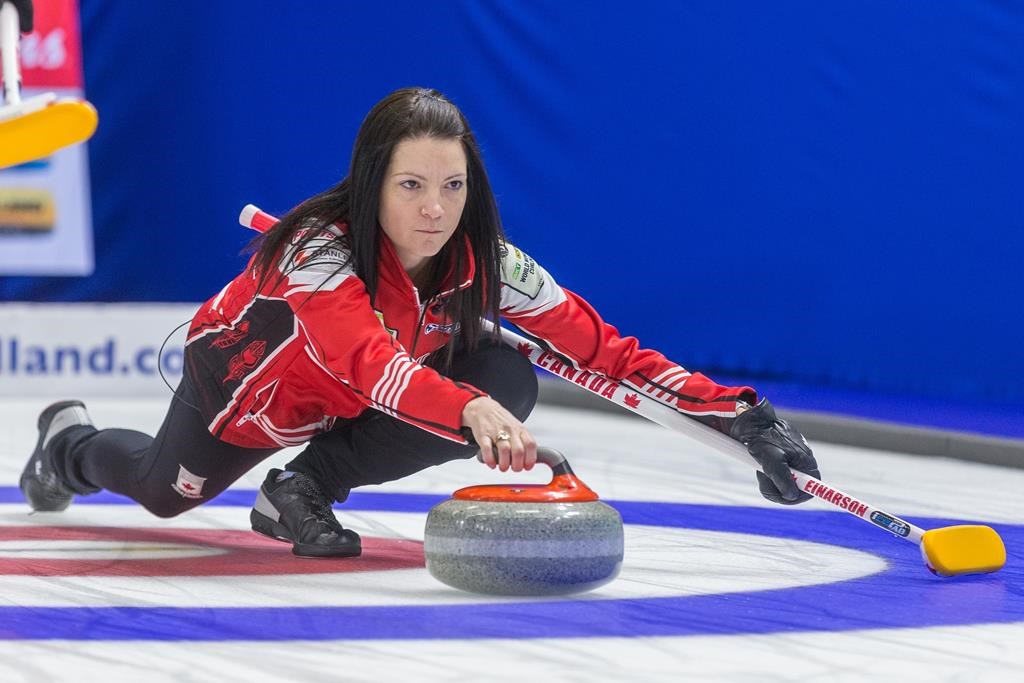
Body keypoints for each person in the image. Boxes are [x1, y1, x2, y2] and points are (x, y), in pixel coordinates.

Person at [20, 87, 820, 558]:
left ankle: (303, 486)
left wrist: (739, 415)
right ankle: (69, 445)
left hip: (365, 394)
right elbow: (371, 365)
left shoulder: (490, 261)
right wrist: (464, 407)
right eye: (411, 185)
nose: (435, 210)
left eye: (453, 186)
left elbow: (603, 349)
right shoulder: (316, 253)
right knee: (167, 493)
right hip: (249, 391)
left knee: (505, 369)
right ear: (373, 182)